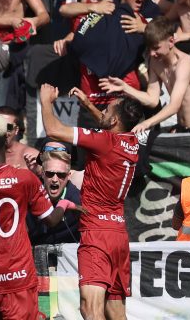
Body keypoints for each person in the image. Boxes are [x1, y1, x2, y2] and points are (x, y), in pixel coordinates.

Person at [0, 114, 81, 319]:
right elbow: (51, 220)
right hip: (18, 277)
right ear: (6, 141)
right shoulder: (24, 179)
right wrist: (65, 205)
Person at [40, 82, 144, 320]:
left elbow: (54, 129)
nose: (103, 113)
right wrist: (88, 104)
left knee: (90, 309)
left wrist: (46, 101)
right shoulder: (131, 142)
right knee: (115, 312)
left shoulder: (105, 142)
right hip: (118, 234)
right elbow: (109, 126)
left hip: (96, 234)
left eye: (106, 110)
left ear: (114, 121)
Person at [100, 17, 190, 133]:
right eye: (149, 49)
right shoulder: (155, 62)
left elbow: (175, 106)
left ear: (171, 41)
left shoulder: (184, 64)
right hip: (182, 128)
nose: (152, 53)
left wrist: (146, 123)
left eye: (156, 48)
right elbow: (152, 100)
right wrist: (125, 87)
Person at [25, 144, 81, 245]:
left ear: (68, 176)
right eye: (50, 174)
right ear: (42, 174)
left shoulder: (78, 201)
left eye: (61, 175)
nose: (55, 180)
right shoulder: (30, 199)